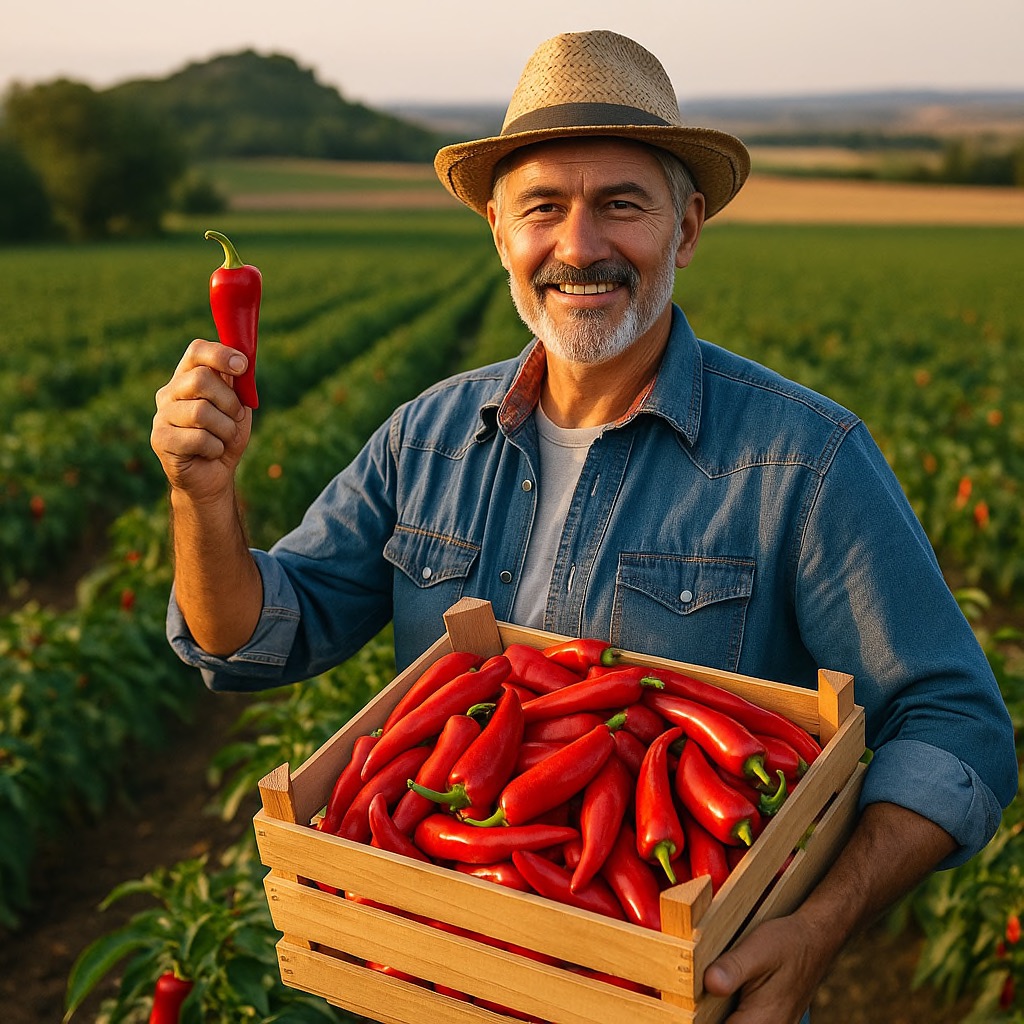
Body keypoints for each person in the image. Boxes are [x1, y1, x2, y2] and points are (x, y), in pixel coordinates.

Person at [151, 29, 1017, 1023]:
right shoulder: (425, 440)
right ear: (496, 232)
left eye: (620, 204)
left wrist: (818, 925)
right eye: (543, 208)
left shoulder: (801, 460)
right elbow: (252, 637)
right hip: (427, 983)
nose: (579, 246)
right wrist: (200, 494)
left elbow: (958, 728)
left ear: (685, 228)